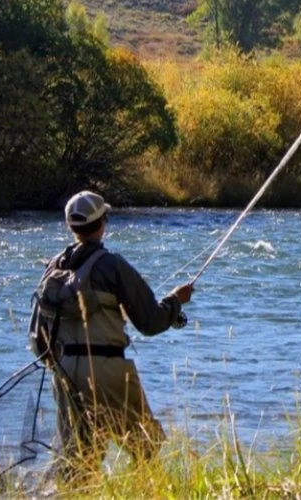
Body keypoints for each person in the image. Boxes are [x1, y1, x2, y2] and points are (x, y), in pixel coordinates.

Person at [43, 190, 194, 480]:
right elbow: (150, 322)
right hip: (108, 370)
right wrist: (176, 301)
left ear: (70, 226)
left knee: (78, 462)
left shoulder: (53, 268)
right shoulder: (112, 265)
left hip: (62, 372)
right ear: (103, 222)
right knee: (146, 445)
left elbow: (38, 336)